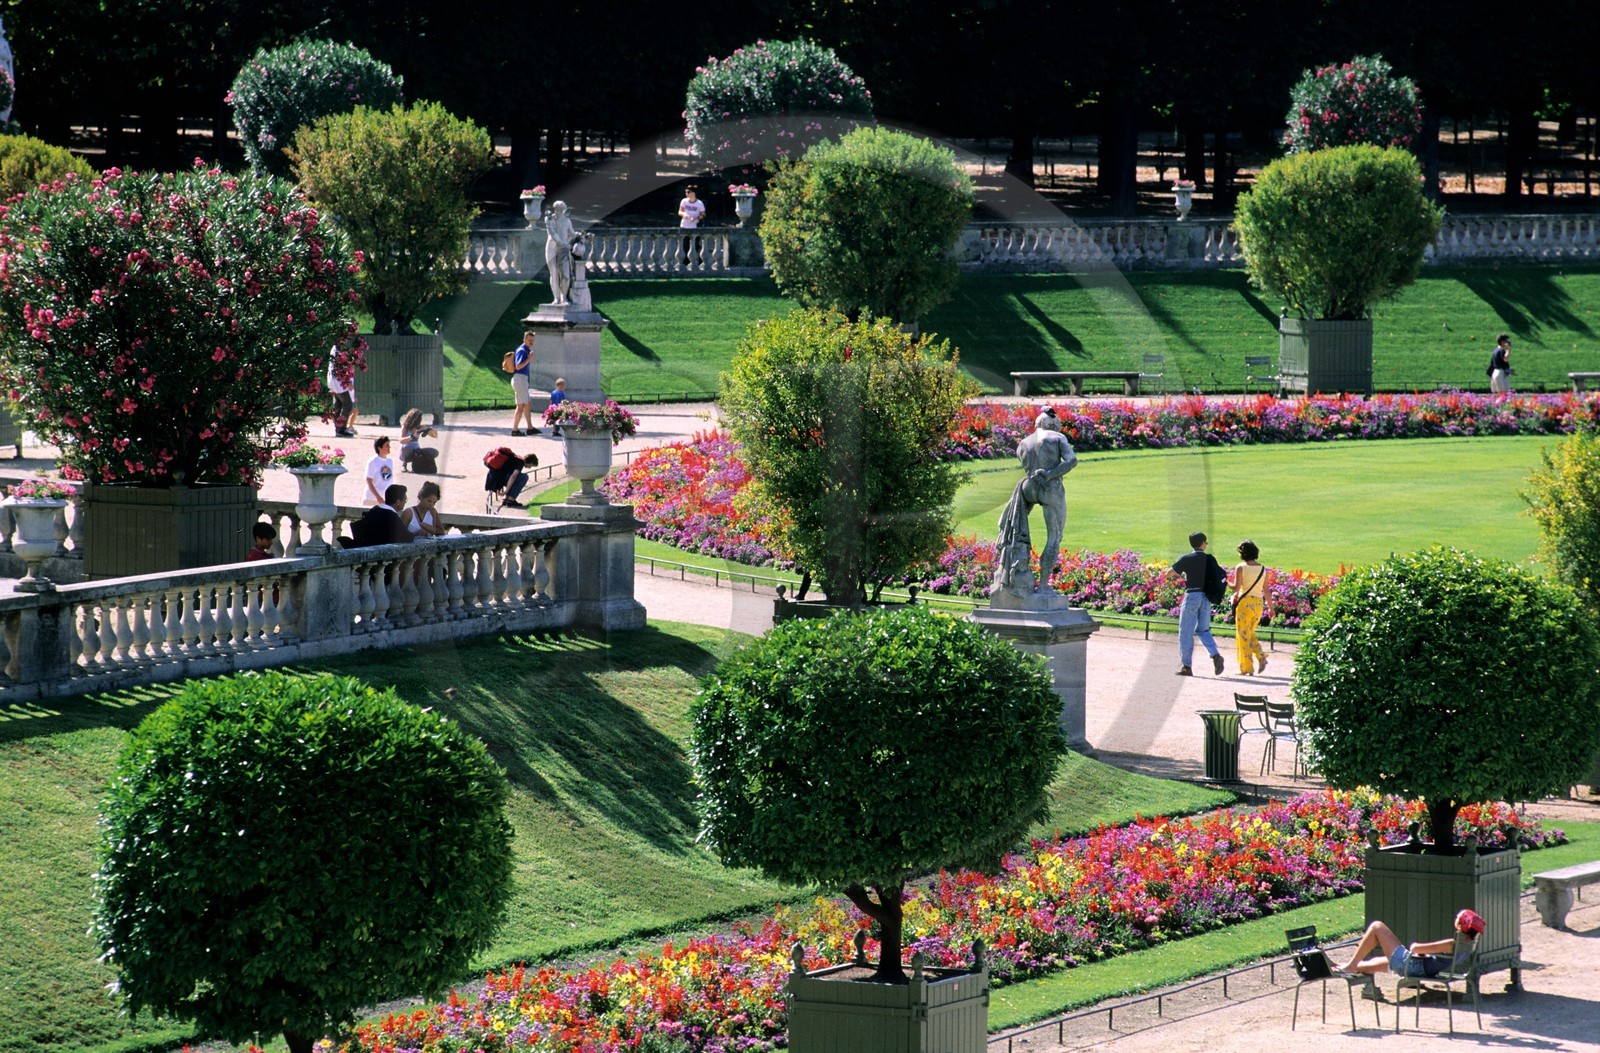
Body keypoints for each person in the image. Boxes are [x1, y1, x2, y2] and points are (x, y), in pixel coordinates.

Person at [992, 408, 1078, 596]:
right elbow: (1072, 461)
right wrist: (1049, 474)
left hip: (1028, 487)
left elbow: (1027, 465)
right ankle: (1044, 586)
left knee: (1016, 529)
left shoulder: (1024, 442)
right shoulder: (1057, 437)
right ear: (1053, 425)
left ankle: (1014, 573)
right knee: (1054, 537)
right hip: (1050, 487)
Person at [1335, 909, 1485, 977]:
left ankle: (1350, 965)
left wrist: (1420, 948)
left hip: (1412, 967)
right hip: (1424, 969)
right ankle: (1342, 968)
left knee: (1377, 926)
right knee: (1376, 962)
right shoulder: (1468, 945)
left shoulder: (1451, 944)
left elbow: (1415, 948)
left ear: (1460, 926)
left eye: (1457, 917)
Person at [1173, 531, 1226, 677]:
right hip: (1206, 597)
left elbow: (1170, 573)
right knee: (1203, 630)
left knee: (1185, 632)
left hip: (1192, 596)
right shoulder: (1210, 559)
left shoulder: (1187, 558)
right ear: (1202, 543)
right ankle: (1215, 655)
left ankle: (1186, 666)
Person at [1231, 540, 1273, 676]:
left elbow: (1236, 588)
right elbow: (1266, 590)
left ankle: (1246, 667)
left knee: (1243, 636)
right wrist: (1271, 608)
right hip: (1258, 604)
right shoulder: (1262, 568)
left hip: (1245, 604)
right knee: (1249, 633)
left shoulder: (1241, 567)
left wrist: (1226, 582)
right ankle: (1260, 657)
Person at [545, 201, 578, 306]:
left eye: (561, 209)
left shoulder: (567, 221)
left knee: (566, 275)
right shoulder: (549, 219)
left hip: (563, 250)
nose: (559, 212)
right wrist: (564, 243)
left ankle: (564, 297)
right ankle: (556, 298)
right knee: (554, 273)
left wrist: (580, 235)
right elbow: (553, 234)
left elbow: (572, 233)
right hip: (551, 248)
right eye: (557, 209)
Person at [509, 331, 541, 437]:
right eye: (529, 340)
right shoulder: (523, 350)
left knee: (527, 404)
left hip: (522, 379)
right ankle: (515, 429)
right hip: (520, 379)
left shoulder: (525, 350)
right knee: (521, 406)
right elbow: (518, 366)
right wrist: (529, 359)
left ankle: (530, 428)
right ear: (524, 339)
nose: (531, 342)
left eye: (532, 340)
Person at [326, 347, 357, 437]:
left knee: (338, 405)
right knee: (347, 405)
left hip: (334, 382)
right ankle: (341, 429)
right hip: (339, 383)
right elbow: (340, 368)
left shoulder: (334, 350)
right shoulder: (338, 352)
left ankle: (338, 428)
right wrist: (348, 382)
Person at [677, 185, 705, 264]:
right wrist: (684, 214)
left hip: (695, 226)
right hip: (684, 225)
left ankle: (699, 261)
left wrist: (696, 218)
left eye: (688, 192)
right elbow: (679, 212)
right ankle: (685, 262)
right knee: (685, 245)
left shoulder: (699, 203)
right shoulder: (684, 201)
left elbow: (703, 215)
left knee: (695, 245)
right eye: (686, 192)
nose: (686, 193)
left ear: (694, 193)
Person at [365, 437, 395, 506]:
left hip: (386, 498)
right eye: (387, 445)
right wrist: (378, 497)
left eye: (389, 445)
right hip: (372, 498)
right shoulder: (373, 461)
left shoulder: (390, 461)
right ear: (379, 447)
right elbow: (369, 481)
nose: (389, 447)